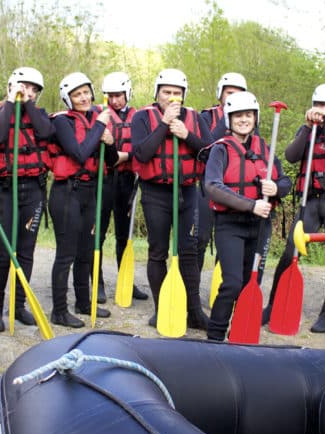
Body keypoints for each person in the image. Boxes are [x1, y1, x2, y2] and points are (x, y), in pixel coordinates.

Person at [263, 83, 325, 333]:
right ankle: (272, 305)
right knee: (288, 254)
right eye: (320, 105)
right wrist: (306, 127)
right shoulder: (307, 129)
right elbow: (292, 156)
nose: (324, 110)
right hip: (311, 200)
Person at [204, 91, 291, 341]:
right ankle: (215, 336)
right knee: (231, 283)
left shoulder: (265, 148)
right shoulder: (220, 150)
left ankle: (240, 332)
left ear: (256, 118)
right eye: (238, 115)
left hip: (259, 226)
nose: (244, 119)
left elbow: (285, 181)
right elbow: (212, 186)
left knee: (250, 284)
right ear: (229, 119)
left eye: (249, 115)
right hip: (229, 225)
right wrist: (251, 204)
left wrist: (276, 188)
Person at [131, 68, 213, 329]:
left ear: (184, 96)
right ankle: (161, 307)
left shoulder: (195, 118)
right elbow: (142, 154)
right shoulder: (142, 117)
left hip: (187, 191)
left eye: (177, 93)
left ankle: (194, 312)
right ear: (157, 94)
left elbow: (210, 151)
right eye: (166, 92)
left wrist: (186, 135)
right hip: (156, 193)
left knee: (189, 251)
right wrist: (164, 124)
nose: (172, 97)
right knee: (158, 252)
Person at [0, 67, 53, 332]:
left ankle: (19, 305)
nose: (29, 92)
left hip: (32, 189)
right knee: (3, 252)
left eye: (34, 89)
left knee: (26, 252)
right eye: (24, 86)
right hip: (4, 189)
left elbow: (46, 133)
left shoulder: (40, 115)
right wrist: (13, 101)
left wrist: (29, 105)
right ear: (11, 86)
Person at [47, 72, 116, 328]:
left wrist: (109, 142)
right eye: (77, 94)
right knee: (67, 253)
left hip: (90, 191)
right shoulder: (63, 122)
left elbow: (109, 161)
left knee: (87, 250)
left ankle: (83, 302)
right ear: (68, 98)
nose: (84, 97)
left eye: (86, 92)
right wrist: (100, 127)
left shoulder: (96, 121)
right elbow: (78, 153)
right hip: (67, 192)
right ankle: (59, 310)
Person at [95, 71, 148, 303]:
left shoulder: (138, 117)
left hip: (127, 181)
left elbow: (142, 148)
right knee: (98, 233)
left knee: (124, 235)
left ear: (127, 94)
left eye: (119, 95)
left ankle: (126, 281)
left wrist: (123, 156)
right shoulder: (98, 114)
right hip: (104, 180)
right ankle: (97, 283)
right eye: (110, 96)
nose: (114, 101)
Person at [197, 72, 249, 287]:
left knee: (227, 245)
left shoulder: (246, 121)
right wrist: (227, 118)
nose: (233, 98)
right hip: (207, 187)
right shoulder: (206, 118)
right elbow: (205, 144)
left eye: (238, 94)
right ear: (220, 94)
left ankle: (223, 291)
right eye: (229, 93)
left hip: (234, 192)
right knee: (199, 240)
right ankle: (192, 292)